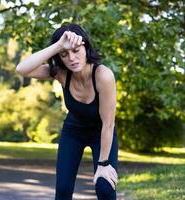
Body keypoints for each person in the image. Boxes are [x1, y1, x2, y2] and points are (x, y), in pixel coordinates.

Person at [16, 23, 118, 200]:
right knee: (62, 190)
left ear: (86, 48)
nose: (72, 58)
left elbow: (108, 125)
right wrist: (58, 46)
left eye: (76, 50)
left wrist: (103, 164)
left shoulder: (103, 75)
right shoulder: (61, 74)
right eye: (65, 54)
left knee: (105, 188)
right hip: (73, 132)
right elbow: (22, 69)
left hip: (102, 134)